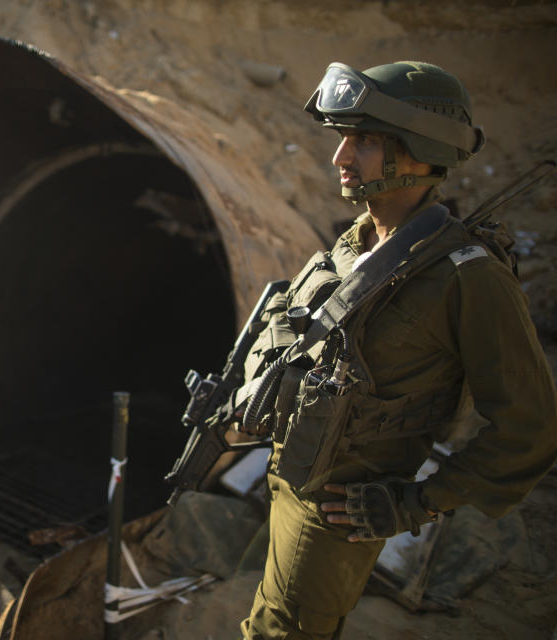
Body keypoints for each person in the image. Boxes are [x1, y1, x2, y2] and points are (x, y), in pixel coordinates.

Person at [227, 62, 557, 639]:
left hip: (337, 512)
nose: (342, 157)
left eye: (367, 141)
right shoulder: (360, 239)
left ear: (420, 150)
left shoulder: (469, 278)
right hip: (288, 477)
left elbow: (530, 427)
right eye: (345, 137)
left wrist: (418, 502)